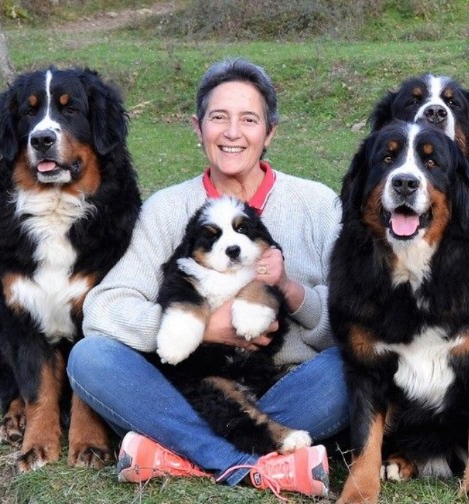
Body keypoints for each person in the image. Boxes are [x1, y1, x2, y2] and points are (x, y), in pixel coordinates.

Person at [67, 57, 346, 498]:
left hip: (288, 388)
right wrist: (204, 328)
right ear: (198, 129)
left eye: (249, 119)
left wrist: (291, 292)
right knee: (91, 357)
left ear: (270, 132)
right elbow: (104, 309)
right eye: (219, 118)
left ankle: (180, 453)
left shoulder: (317, 205)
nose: (232, 132)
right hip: (193, 390)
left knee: (351, 367)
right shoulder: (165, 209)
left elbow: (352, 320)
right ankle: (248, 462)